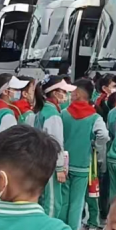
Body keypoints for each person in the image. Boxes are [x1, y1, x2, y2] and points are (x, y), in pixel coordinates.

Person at [61, 78, 111, 230]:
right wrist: (95, 145)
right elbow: (104, 135)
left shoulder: (64, 113)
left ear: (77, 93)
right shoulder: (94, 117)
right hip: (83, 164)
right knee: (77, 201)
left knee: (64, 199)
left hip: (64, 163)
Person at [38, 76, 72, 219]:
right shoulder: (52, 115)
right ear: (55, 93)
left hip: (38, 162)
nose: (66, 94)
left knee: (41, 200)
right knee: (53, 203)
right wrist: (59, 167)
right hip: (50, 163)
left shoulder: (40, 110)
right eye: (63, 91)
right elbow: (56, 142)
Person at [0, 74, 29, 157]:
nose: (19, 92)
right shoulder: (7, 114)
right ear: (5, 91)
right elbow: (8, 144)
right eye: (16, 89)